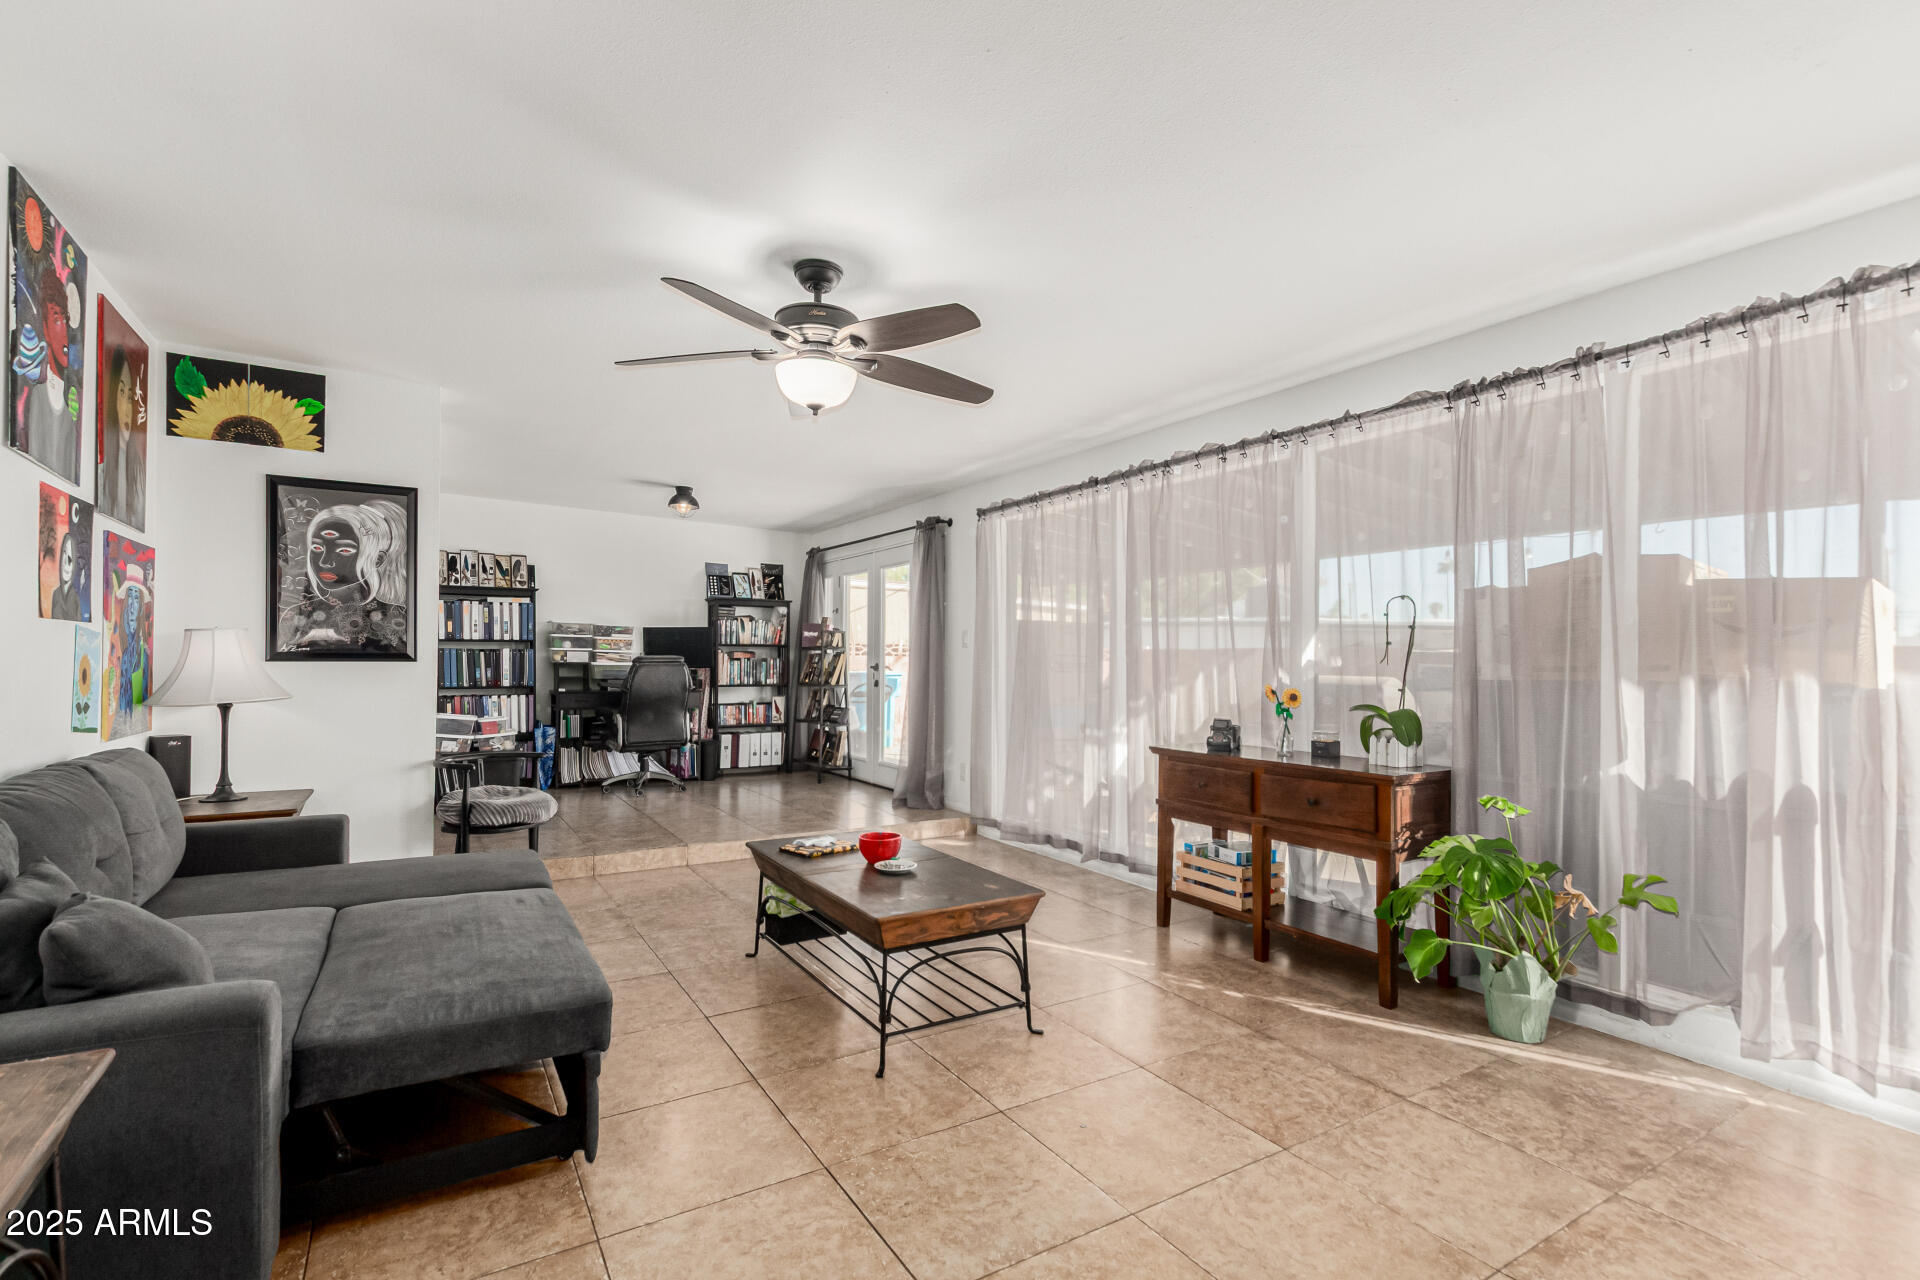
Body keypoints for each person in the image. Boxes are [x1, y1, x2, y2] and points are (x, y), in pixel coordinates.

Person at [279, 498, 411, 653]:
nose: (325, 561)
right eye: (317, 547)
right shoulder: (295, 615)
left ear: (377, 559)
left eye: (344, 550)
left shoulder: (397, 616)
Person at [98, 346, 146, 527]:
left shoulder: (138, 471)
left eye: (130, 398)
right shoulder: (102, 467)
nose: (127, 408)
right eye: (121, 392)